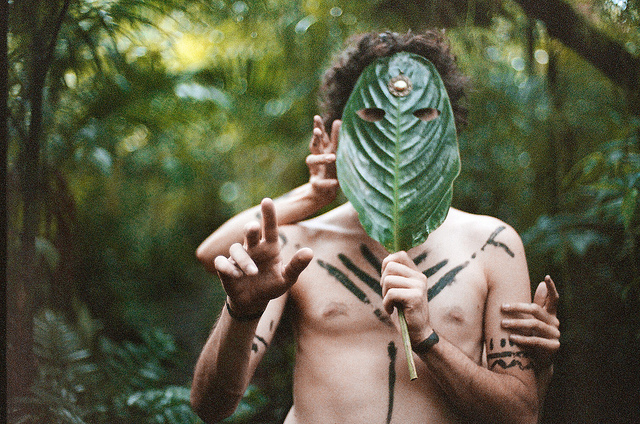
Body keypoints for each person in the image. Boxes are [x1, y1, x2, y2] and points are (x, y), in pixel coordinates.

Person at [190, 31, 560, 424]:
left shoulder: (492, 245)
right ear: (340, 128)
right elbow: (210, 407)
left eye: (423, 113)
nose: (398, 129)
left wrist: (427, 338)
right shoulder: (298, 247)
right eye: (373, 114)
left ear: (449, 129)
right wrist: (241, 312)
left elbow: (519, 415)